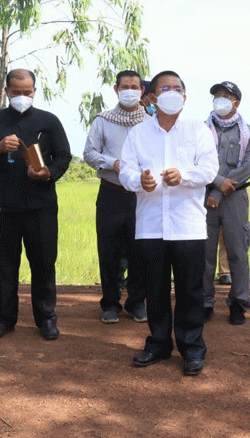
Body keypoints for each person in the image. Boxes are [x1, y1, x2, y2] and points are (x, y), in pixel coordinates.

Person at [120, 70, 218, 376]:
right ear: (152, 97)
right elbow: (125, 172)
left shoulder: (198, 130)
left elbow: (210, 169)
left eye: (178, 88)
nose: (173, 92)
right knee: (155, 289)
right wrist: (140, 180)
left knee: (190, 290)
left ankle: (192, 348)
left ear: (185, 98)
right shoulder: (138, 134)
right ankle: (159, 343)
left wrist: (183, 176)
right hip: (150, 225)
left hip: (187, 224)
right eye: (166, 88)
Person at [0, 69, 72, 340]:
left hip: (41, 207)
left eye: (27, 92)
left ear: (34, 91)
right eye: (16, 92)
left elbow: (64, 156)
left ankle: (46, 318)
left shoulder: (49, 121)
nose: (22, 97)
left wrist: (48, 173)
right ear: (6, 92)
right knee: (6, 267)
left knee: (43, 264)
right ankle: (4, 318)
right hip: (4, 208)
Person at [83, 69, 148, 324]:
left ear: (142, 90)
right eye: (125, 87)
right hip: (111, 192)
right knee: (108, 251)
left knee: (140, 250)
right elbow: (89, 153)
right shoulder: (103, 121)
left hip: (140, 195)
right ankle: (110, 303)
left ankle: (136, 302)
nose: (130, 91)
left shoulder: (151, 122)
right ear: (116, 89)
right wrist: (114, 163)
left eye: (134, 87)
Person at [203, 81, 250, 325]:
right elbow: (197, 163)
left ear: (237, 102)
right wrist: (216, 186)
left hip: (235, 197)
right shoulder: (201, 130)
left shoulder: (248, 132)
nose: (220, 100)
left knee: (237, 251)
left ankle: (238, 302)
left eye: (226, 96)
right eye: (217, 95)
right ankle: (205, 302)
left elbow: (247, 169)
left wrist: (219, 191)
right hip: (205, 197)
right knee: (205, 252)